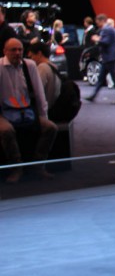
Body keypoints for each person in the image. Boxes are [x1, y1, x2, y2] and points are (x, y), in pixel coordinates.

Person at [1, 37, 57, 183]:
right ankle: (16, 168)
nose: (17, 53)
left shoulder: (29, 65)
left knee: (50, 127)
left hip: (27, 111)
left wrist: (44, 116)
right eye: (13, 50)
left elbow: (39, 93)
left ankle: (38, 166)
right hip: (4, 112)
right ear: (5, 51)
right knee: (6, 131)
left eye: (20, 49)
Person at [86, 18, 115, 104]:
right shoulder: (110, 30)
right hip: (108, 57)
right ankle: (93, 95)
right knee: (102, 78)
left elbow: (106, 42)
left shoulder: (107, 30)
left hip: (109, 57)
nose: (97, 24)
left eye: (97, 22)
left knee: (114, 78)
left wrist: (97, 39)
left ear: (102, 21)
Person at [25, 41, 61, 110]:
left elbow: (36, 90)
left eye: (31, 56)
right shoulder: (53, 66)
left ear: (39, 54)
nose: (31, 59)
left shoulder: (42, 68)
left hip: (46, 109)